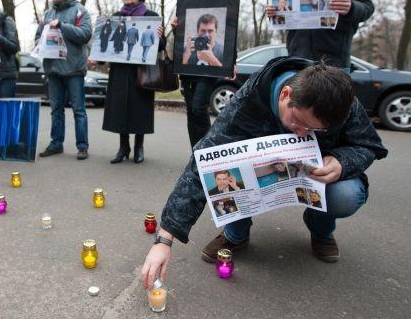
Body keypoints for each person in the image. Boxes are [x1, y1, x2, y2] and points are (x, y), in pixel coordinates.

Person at [141, 57, 388, 290]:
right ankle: (235, 234)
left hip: (314, 177)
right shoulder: (246, 103)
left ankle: (320, 229)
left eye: (316, 130)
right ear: (285, 94)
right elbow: (202, 165)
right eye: (298, 121)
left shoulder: (341, 102)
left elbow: (369, 145)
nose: (303, 133)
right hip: (257, 176)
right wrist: (165, 238)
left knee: (347, 194)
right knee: (227, 175)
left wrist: (343, 162)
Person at [102, 0, 166, 164]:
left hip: (141, 71)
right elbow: (109, 43)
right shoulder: (115, 17)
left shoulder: (151, 16)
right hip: (120, 72)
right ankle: (123, 147)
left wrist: (161, 36)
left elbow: (160, 47)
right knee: (120, 108)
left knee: (140, 108)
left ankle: (139, 146)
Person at [36, 0, 92, 160]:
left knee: (78, 109)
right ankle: (56, 144)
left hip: (74, 68)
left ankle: (82, 146)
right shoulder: (47, 13)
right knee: (56, 109)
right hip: (53, 69)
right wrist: (40, 43)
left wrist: (62, 26)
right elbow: (38, 36)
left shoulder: (80, 11)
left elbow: (85, 34)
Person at [170, 0, 223, 149]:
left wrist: (228, 63)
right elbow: (180, 40)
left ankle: (207, 151)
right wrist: (177, 29)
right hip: (188, 70)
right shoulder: (185, 1)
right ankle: (196, 152)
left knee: (199, 107)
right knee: (191, 111)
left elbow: (231, 36)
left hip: (209, 72)